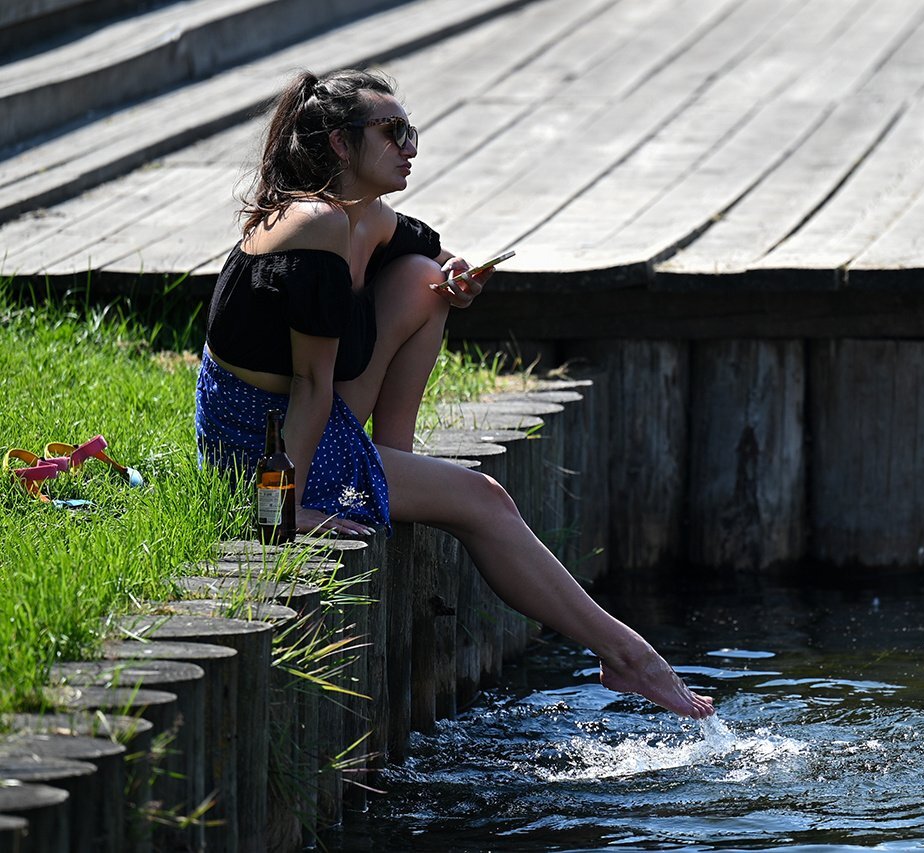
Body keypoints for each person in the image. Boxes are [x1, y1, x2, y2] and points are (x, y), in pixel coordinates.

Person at [194, 68, 714, 720]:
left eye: (411, 131)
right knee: (484, 500)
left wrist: (457, 277)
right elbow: (310, 384)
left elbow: (435, 257)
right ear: (338, 143)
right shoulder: (317, 227)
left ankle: (391, 464)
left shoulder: (368, 217)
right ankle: (626, 654)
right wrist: (281, 513)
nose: (410, 146)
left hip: (307, 421)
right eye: (393, 132)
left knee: (421, 280)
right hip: (260, 443)